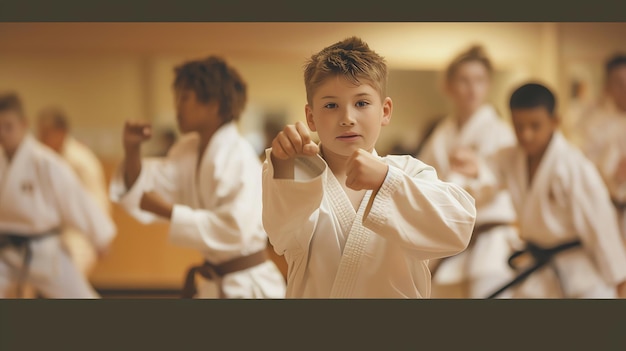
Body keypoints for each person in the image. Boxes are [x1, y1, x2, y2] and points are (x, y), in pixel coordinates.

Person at [261, 36, 477, 298]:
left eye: (361, 103)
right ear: (311, 117)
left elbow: (458, 229)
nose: (347, 118)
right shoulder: (297, 170)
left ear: (385, 111)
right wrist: (285, 166)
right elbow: (280, 235)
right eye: (331, 105)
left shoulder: (410, 173)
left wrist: (387, 181)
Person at [109, 56, 286, 299]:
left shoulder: (238, 156)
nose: (177, 107)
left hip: (248, 285)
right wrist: (132, 150)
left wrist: (169, 212)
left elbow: (235, 230)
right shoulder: (188, 150)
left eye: (184, 98)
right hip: (216, 282)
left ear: (213, 104)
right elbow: (146, 186)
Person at [457, 83, 626, 298]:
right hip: (539, 272)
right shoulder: (511, 157)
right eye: (519, 126)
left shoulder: (573, 166)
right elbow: (487, 169)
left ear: (555, 122)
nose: (526, 134)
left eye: (535, 126)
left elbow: (599, 225)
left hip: (582, 275)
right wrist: (474, 167)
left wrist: (619, 278)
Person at [417, 45, 519, 298]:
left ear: (489, 84)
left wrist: (479, 171)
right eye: (464, 80)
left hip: (490, 241)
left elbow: (510, 179)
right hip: (450, 238)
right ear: (449, 85)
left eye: (479, 80)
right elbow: (421, 174)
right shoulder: (444, 132)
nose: (472, 89)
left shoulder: (500, 131)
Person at [0, 92, 116, 298]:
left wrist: (100, 236)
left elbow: (76, 200)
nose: (2, 133)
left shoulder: (46, 162)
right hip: (5, 253)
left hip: (45, 249)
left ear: (23, 124)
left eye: (8, 127)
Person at [37, 106, 111, 278]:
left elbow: (98, 202)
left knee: (68, 276)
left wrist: (100, 236)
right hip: (47, 231)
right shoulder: (39, 159)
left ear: (61, 132)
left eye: (46, 133)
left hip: (78, 234)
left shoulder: (81, 161)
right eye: (40, 133)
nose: (41, 139)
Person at [576, 54, 626, 239]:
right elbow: (581, 166)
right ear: (608, 86)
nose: (625, 88)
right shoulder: (592, 123)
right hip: (607, 209)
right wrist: (612, 171)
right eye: (619, 83)